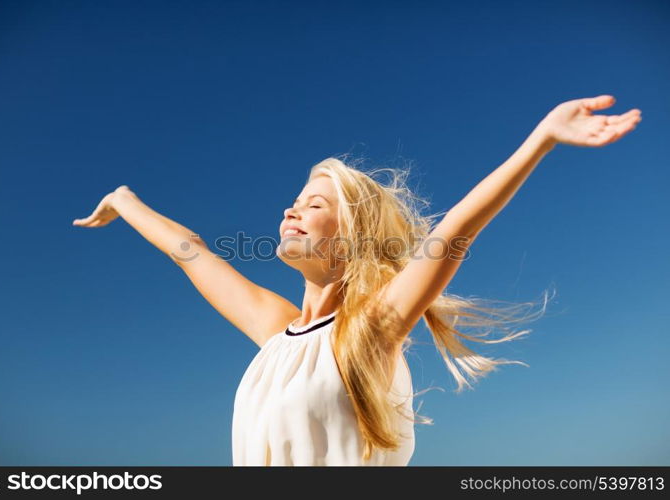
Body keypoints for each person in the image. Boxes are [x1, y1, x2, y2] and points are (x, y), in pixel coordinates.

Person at [73, 95, 641, 466]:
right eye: (292, 202)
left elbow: (457, 228)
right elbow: (189, 252)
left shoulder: (371, 328)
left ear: (351, 239)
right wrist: (125, 202)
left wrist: (540, 139)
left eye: (313, 204)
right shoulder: (277, 332)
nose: (290, 211)